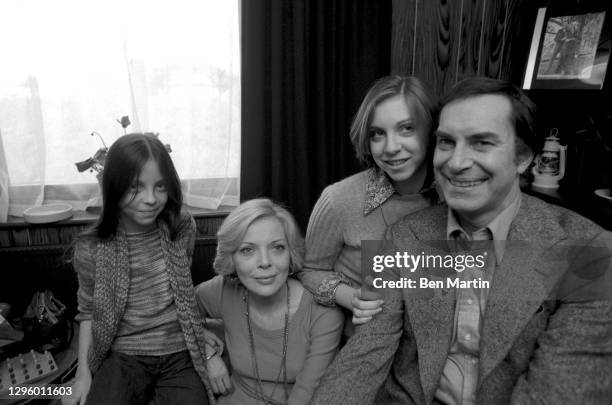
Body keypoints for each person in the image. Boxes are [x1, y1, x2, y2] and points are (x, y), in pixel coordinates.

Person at [311, 77, 612, 404]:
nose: (456, 163)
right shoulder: (404, 234)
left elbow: (558, 393)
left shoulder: (590, 251)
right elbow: (365, 355)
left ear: (524, 158)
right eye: (446, 142)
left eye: (482, 142)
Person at [66, 133, 221, 405]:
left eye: (160, 186)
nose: (151, 199)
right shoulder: (92, 247)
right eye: (136, 187)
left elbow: (182, 293)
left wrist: (200, 337)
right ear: (113, 186)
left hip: (179, 352)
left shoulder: (181, 227)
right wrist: (82, 374)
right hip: (122, 354)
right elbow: (88, 312)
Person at [298, 75, 438, 330]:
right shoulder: (338, 199)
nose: (391, 147)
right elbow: (308, 272)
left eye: (407, 128)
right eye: (377, 134)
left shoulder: (455, 198)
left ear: (431, 130)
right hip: (361, 345)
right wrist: (349, 297)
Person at [195, 198, 344, 405]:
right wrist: (206, 350)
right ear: (232, 258)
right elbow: (174, 313)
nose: (265, 262)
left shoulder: (323, 312)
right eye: (248, 250)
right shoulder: (222, 290)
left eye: (277, 248)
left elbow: (305, 395)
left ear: (290, 253)